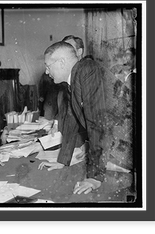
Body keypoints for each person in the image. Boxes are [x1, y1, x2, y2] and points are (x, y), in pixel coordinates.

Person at [38, 41, 108, 194]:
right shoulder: (74, 80)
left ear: (62, 62)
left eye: (48, 66)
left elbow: (96, 123)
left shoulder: (87, 70)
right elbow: (71, 121)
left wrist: (95, 177)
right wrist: (63, 161)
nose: (46, 71)